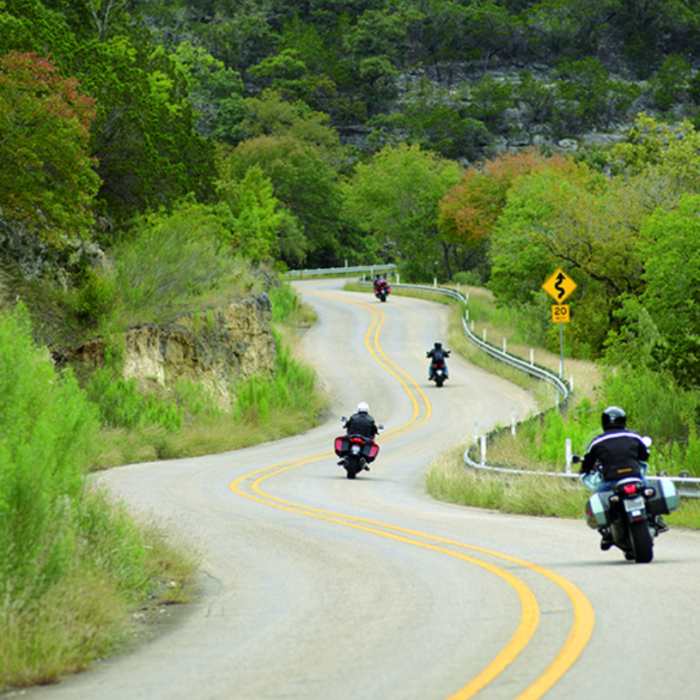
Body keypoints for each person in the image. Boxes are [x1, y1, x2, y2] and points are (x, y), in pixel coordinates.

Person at [579, 406, 667, 548]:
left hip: (611, 480)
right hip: (634, 477)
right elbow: (644, 456)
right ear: (623, 420)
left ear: (604, 422)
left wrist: (584, 469)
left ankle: (606, 531)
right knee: (647, 491)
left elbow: (587, 464)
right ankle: (657, 519)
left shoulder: (596, 442)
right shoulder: (633, 436)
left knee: (600, 499)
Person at [340, 401, 379, 471]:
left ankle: (346, 455)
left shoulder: (353, 416)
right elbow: (374, 429)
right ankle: (364, 458)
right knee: (369, 443)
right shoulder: (371, 419)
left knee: (346, 439)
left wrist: (345, 425)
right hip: (365, 438)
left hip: (352, 436)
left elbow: (347, 424)